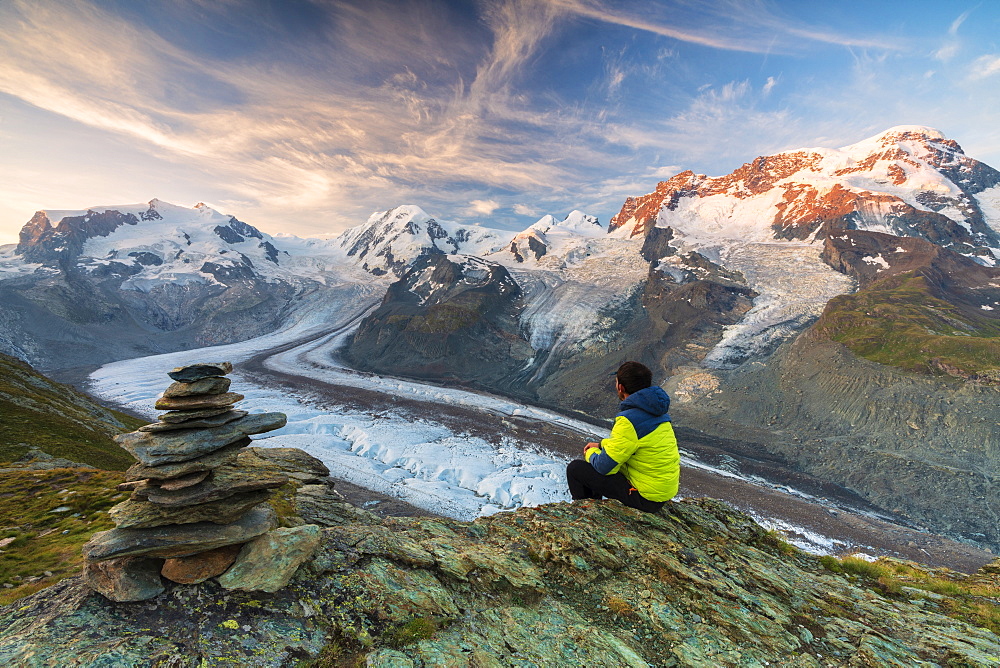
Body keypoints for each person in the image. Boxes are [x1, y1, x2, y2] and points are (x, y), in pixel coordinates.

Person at [566, 361, 679, 513]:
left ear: (621, 387)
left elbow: (603, 467)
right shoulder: (657, 412)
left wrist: (590, 453)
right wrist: (601, 445)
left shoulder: (629, 421)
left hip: (646, 498)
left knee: (576, 469)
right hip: (661, 492)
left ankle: (586, 514)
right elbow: (631, 444)